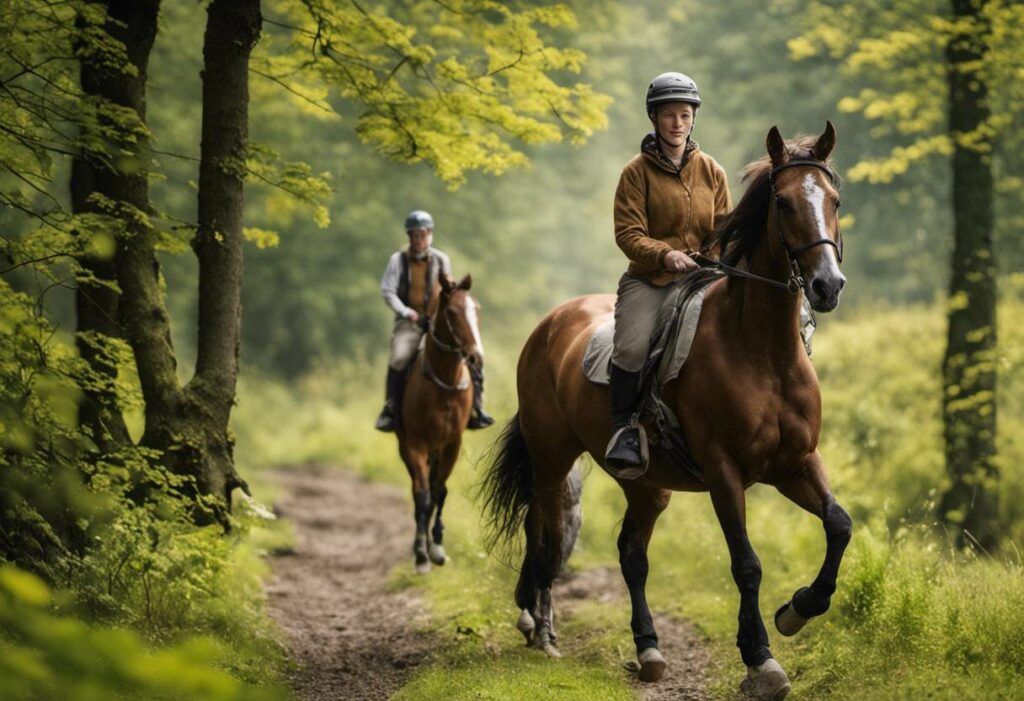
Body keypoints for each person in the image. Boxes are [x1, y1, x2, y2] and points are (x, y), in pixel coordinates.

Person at [605, 72, 732, 474]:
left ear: (694, 119)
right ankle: (624, 430)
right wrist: (666, 256)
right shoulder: (635, 173)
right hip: (651, 280)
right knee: (630, 346)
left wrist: (714, 256)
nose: (677, 123)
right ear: (654, 118)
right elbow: (628, 234)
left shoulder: (713, 171)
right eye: (669, 115)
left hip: (704, 278)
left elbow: (726, 228)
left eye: (684, 115)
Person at [375, 209, 495, 432]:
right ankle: (391, 409)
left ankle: (477, 407)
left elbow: (446, 291)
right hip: (409, 322)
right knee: (400, 357)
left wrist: (436, 315)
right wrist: (407, 312)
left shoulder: (441, 259)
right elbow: (387, 291)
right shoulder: (398, 260)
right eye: (413, 235)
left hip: (435, 321)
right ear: (408, 236)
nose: (418, 239)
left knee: (473, 356)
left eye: (422, 234)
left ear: (429, 235)